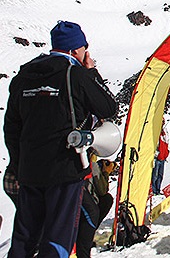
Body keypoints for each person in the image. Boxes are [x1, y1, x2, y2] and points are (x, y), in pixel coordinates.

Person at [4, 20, 118, 258]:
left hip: (29, 171)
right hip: (64, 171)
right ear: (77, 49)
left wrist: (18, 162)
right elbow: (108, 107)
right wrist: (92, 72)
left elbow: (11, 127)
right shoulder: (74, 74)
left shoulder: (25, 74)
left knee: (25, 237)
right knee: (57, 238)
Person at [76, 155, 116, 258]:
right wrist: (106, 173)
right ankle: (85, 238)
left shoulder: (91, 165)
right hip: (83, 203)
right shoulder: (91, 165)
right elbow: (103, 190)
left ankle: (85, 236)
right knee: (99, 206)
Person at [151, 118, 169, 195]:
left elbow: (167, 140)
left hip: (163, 157)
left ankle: (158, 190)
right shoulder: (156, 133)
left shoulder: (164, 133)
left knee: (160, 175)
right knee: (155, 175)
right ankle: (153, 190)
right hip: (157, 158)